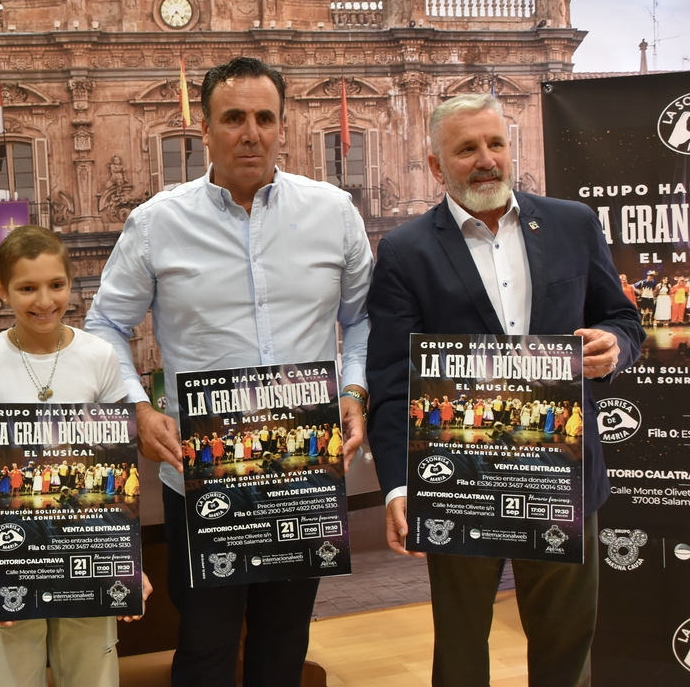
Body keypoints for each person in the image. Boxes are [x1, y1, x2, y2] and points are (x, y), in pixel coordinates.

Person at [84, 56, 373, 687]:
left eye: (265, 118)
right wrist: (137, 407)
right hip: (202, 474)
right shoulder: (157, 222)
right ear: (205, 129)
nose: (251, 133)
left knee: (284, 640)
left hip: (302, 469)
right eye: (234, 118)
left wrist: (354, 387)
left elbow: (361, 319)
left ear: (282, 127)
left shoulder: (334, 212)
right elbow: (104, 324)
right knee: (206, 645)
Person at [365, 93, 645, 687]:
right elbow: (391, 380)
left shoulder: (572, 223)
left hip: (561, 473)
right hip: (460, 479)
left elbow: (623, 318)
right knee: (460, 647)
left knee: (566, 641)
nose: (486, 159)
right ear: (437, 166)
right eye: (466, 149)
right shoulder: (405, 251)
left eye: (495, 143)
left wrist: (616, 345)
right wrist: (397, 485)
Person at [0, 225, 151, 687]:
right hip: (13, 556)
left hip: (87, 551)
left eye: (56, 285)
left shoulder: (99, 356)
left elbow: (118, 465)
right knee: (14, 678)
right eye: (27, 288)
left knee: (92, 675)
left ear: (71, 283)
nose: (44, 301)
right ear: (2, 290)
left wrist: (127, 557)